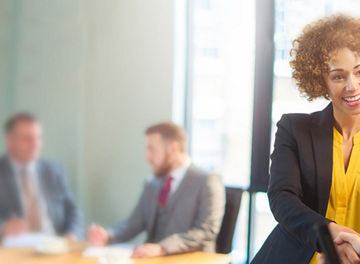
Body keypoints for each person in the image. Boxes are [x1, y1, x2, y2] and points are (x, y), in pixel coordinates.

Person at [252, 15, 360, 264]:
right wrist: (332, 237)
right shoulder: (294, 128)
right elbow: (282, 197)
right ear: (321, 81)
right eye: (338, 76)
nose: (352, 86)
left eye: (358, 72)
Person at [88, 122, 225, 258]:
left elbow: (206, 231)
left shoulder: (207, 181)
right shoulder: (153, 183)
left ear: (173, 148)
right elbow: (134, 222)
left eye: (152, 149)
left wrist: (163, 248)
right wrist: (108, 236)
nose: (147, 157)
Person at [0, 113, 83, 239]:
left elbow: (73, 212)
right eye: (28, 139)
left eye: (38, 138)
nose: (35, 144)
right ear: (10, 141)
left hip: (54, 245)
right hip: (14, 250)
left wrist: (73, 234)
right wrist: (3, 227)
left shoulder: (54, 171)